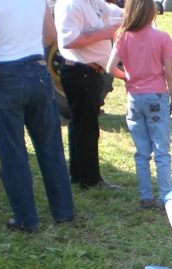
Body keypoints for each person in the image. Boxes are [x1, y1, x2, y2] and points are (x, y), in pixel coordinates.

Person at [0, 0, 75, 233]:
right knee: (51, 147)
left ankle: (26, 219)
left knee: (12, 152)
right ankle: (64, 211)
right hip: (38, 71)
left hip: (2, 74)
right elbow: (50, 35)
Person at [107, 0, 172, 211]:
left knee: (142, 152)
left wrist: (126, 77)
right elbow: (170, 73)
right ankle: (165, 197)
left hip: (134, 98)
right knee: (161, 151)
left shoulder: (122, 36)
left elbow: (110, 68)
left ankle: (146, 197)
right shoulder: (162, 37)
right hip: (157, 97)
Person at [55, 0, 123, 190]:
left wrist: (139, 11)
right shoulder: (71, 4)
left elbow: (116, 12)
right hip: (81, 72)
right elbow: (69, 40)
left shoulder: (93, 1)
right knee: (87, 127)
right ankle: (90, 180)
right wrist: (105, 33)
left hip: (88, 72)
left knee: (80, 125)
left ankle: (79, 175)